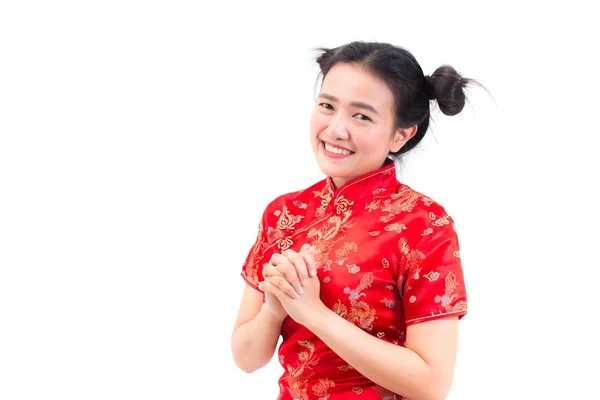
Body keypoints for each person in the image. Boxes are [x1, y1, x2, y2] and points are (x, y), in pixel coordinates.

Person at [231, 41, 476, 400]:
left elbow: (431, 384)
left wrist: (313, 313)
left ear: (401, 134)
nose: (335, 129)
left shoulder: (424, 224)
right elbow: (246, 358)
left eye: (361, 116)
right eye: (327, 106)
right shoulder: (284, 214)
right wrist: (274, 306)